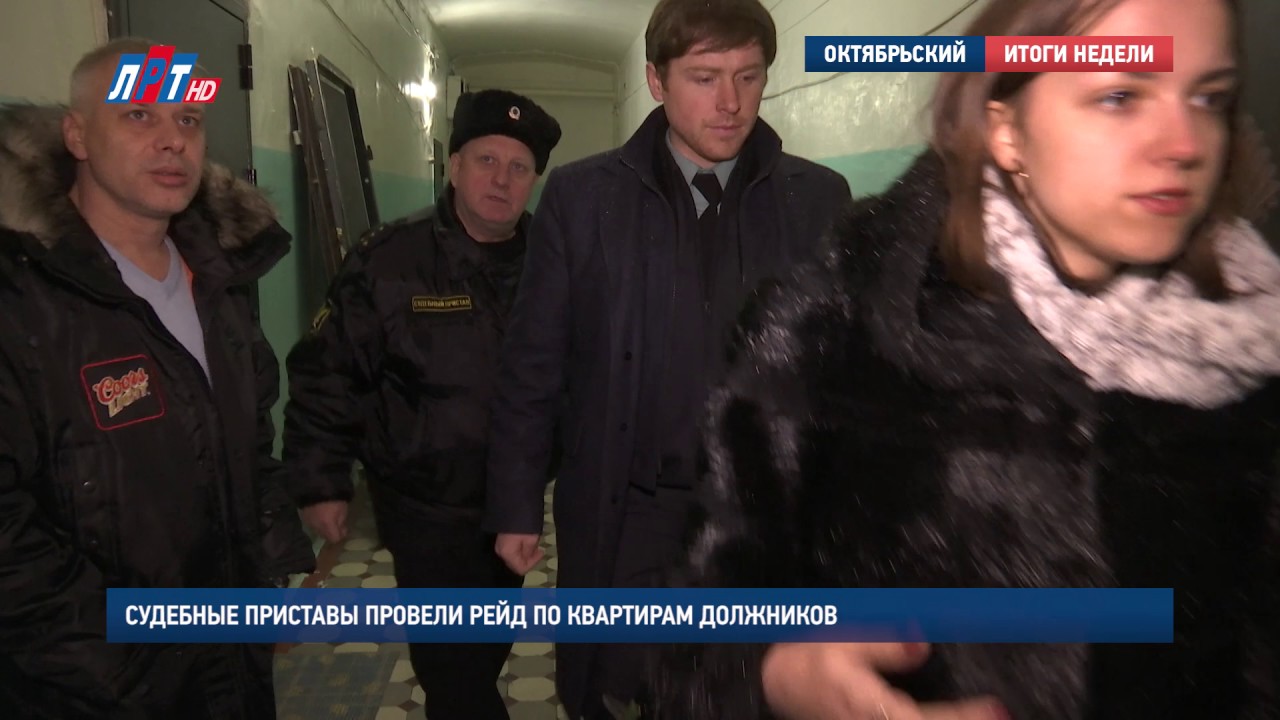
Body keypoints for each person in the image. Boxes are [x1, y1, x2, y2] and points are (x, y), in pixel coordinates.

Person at [649, 0, 1280, 718]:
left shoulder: (1253, 353)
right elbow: (694, 631)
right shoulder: (837, 329)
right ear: (1006, 129)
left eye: (1209, 98)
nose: (1184, 143)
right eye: (1120, 96)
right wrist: (775, 675)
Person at [482, 0, 852, 716]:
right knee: (622, 687)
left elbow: (841, 376)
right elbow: (534, 364)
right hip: (630, 509)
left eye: (749, 76)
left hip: (760, 520)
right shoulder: (583, 200)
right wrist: (516, 505)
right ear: (656, 81)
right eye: (704, 78)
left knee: (745, 694)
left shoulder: (816, 201)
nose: (730, 102)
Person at [0, 38, 315, 719]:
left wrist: (272, 577)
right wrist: (130, 663)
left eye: (189, 120)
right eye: (139, 115)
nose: (173, 140)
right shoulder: (22, 300)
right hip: (91, 690)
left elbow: (249, 446)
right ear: (77, 135)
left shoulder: (220, 281)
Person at [282, 89, 562, 720]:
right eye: (486, 160)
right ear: (455, 166)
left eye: (519, 167)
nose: (501, 179)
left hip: (513, 502)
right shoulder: (389, 263)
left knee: (484, 649)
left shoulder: (555, 263)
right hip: (424, 510)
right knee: (453, 673)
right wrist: (320, 481)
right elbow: (328, 373)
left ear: (533, 181)